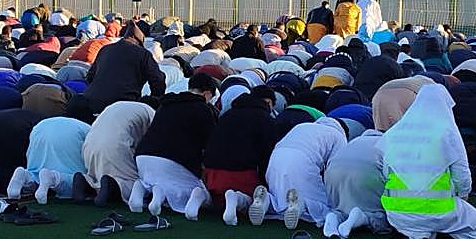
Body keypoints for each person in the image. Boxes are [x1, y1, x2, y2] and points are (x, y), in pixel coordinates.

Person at [377, 84, 476, 239]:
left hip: (396, 214)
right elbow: (461, 172)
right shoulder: (446, 131)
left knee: (420, 223)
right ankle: (434, 231)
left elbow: (386, 172)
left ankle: (418, 234)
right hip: (438, 210)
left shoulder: (397, 131)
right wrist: (463, 196)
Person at [131, 73, 219, 221]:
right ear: (207, 93)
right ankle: (192, 201)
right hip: (174, 160)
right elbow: (211, 144)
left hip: (144, 158)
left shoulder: (166, 105)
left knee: (158, 184)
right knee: (195, 192)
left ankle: (144, 189)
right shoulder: (202, 109)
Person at [263, 117, 363, 229]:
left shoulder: (302, 126)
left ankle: (267, 201)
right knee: (322, 202)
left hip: (276, 157)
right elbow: (335, 168)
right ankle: (303, 205)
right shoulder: (338, 136)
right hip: (302, 159)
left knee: (280, 195)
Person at [202, 85, 278, 225]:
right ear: (269, 103)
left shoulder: (227, 115)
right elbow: (267, 156)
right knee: (253, 198)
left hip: (212, 175)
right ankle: (236, 198)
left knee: (217, 200)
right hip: (241, 175)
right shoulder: (264, 119)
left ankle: (199, 196)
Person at [74, 22, 165, 118]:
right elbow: (158, 79)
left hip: (91, 104)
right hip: (123, 106)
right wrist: (155, 101)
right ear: (139, 41)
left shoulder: (105, 49)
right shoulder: (143, 54)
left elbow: (90, 77)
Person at [74, 100, 155, 205]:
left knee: (97, 174)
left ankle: (87, 182)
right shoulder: (151, 113)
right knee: (135, 183)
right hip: (116, 146)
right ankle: (114, 185)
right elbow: (152, 145)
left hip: (89, 146)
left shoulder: (116, 106)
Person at [7, 116, 91, 203]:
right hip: (71, 135)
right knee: (77, 178)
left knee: (36, 171)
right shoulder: (90, 130)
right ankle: (53, 177)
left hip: (40, 129)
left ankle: (26, 176)